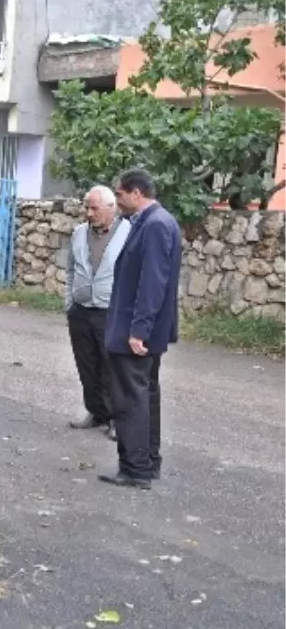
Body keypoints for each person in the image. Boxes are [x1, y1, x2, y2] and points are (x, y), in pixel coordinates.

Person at [101, 168, 182, 490]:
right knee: (144, 395)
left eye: (119, 194)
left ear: (136, 193)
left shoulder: (156, 225)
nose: (117, 200)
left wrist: (138, 330)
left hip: (137, 333)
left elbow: (153, 282)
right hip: (141, 330)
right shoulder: (152, 222)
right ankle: (145, 464)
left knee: (131, 399)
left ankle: (136, 469)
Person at [65, 185, 131, 442]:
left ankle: (116, 418)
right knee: (86, 366)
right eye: (87, 207)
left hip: (110, 312)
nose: (89, 213)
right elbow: (70, 270)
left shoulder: (127, 233)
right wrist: (69, 303)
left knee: (111, 368)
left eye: (94, 208)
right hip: (81, 310)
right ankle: (96, 412)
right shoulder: (79, 233)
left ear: (111, 208)